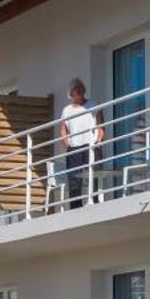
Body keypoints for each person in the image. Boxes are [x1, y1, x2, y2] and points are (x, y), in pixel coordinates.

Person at [58, 78, 104, 208]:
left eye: (80, 89)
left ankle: (95, 202)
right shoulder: (66, 110)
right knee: (74, 179)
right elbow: (63, 130)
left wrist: (99, 140)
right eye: (76, 90)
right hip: (74, 147)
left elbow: (101, 125)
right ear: (71, 93)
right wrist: (68, 145)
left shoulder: (94, 104)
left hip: (91, 145)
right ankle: (76, 207)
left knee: (94, 175)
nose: (79, 92)